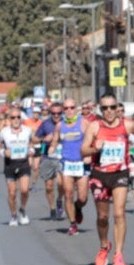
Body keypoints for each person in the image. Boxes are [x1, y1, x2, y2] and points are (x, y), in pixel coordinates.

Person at [81, 95, 134, 265]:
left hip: (120, 173)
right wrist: (96, 148)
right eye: (105, 108)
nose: (109, 111)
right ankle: (104, 246)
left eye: (112, 107)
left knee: (119, 214)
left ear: (117, 107)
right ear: (100, 110)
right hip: (100, 175)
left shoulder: (127, 124)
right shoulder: (95, 126)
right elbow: (83, 150)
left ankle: (118, 254)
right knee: (102, 217)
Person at [0, 108, 35, 226]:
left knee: (24, 190)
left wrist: (31, 150)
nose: (16, 120)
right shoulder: (4, 132)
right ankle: (13, 215)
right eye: (13, 117)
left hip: (23, 163)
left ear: (21, 119)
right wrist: (3, 152)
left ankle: (22, 209)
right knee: (12, 193)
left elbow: (31, 143)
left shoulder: (27, 131)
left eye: (18, 117)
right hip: (10, 164)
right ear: (9, 119)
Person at [55, 100, 88, 235]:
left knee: (82, 198)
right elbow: (54, 141)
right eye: (66, 108)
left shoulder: (84, 123)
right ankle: (72, 224)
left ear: (76, 109)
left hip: (81, 163)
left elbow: (93, 138)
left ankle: (77, 207)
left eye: (72, 108)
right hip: (66, 163)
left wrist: (89, 153)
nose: (69, 110)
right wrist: (50, 148)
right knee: (68, 193)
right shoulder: (59, 125)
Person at [32, 103, 63, 219]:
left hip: (62, 157)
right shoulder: (45, 124)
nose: (56, 115)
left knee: (61, 184)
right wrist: (44, 139)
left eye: (59, 113)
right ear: (50, 113)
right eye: (53, 113)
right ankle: (52, 208)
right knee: (49, 187)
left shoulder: (66, 123)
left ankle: (59, 199)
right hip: (48, 157)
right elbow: (34, 139)